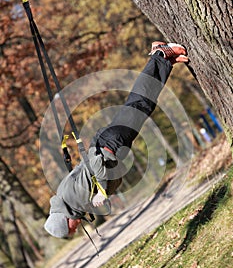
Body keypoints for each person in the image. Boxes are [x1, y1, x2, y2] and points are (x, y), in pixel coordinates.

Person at [44, 41, 188, 238]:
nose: (75, 228)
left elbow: (95, 164)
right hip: (110, 144)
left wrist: (102, 192)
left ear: (64, 220)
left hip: (110, 145)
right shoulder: (70, 202)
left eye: (71, 228)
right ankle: (165, 61)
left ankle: (160, 55)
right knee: (141, 104)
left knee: (141, 103)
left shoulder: (73, 199)